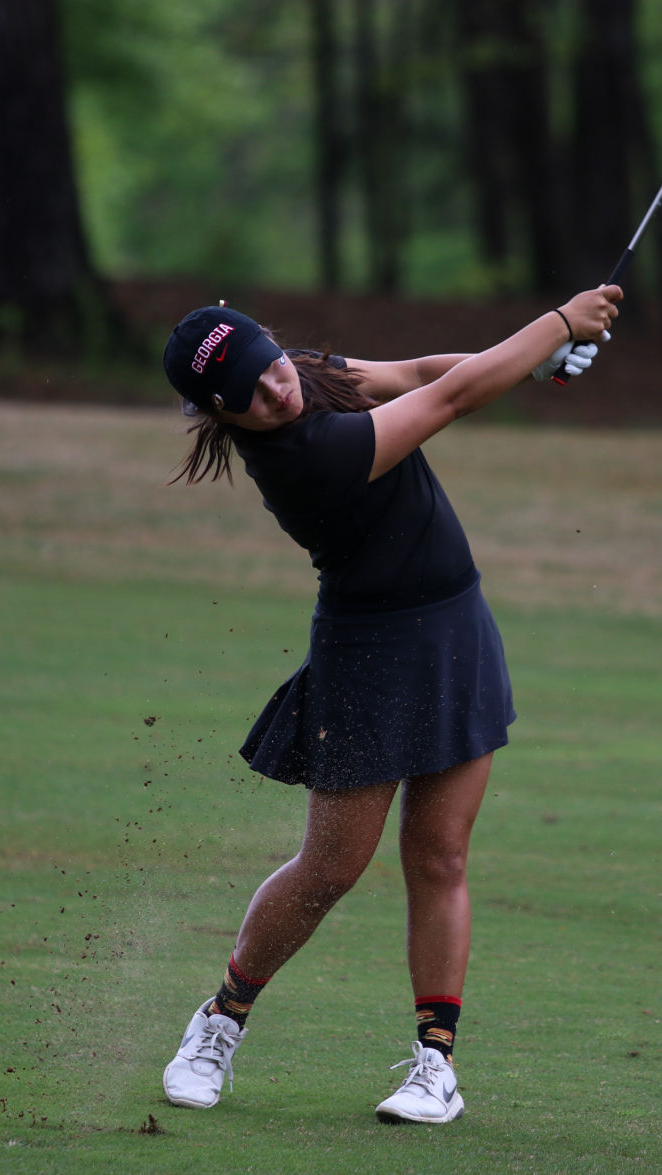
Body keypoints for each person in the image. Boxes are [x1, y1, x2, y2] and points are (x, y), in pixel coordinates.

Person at [157, 284, 621, 1124]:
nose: (277, 390)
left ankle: (433, 1066)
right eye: (251, 396)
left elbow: (413, 370)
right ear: (220, 415)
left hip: (453, 628)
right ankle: (219, 1019)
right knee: (331, 868)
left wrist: (537, 364)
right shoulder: (305, 460)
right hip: (365, 651)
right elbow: (447, 397)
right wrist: (557, 324)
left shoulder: (301, 372)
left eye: (271, 367)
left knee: (438, 856)